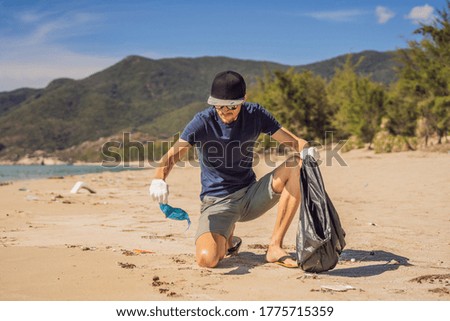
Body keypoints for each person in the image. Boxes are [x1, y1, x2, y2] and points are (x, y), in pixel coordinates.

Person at [149, 70, 318, 268]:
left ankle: (275, 247)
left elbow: (295, 142)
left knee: (296, 165)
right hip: (217, 202)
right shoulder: (202, 121)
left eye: (231, 108)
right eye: (219, 107)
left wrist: (307, 150)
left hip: (250, 196)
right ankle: (229, 239)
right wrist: (159, 178)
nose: (225, 113)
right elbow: (171, 156)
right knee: (207, 259)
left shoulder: (256, 114)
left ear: (243, 100)